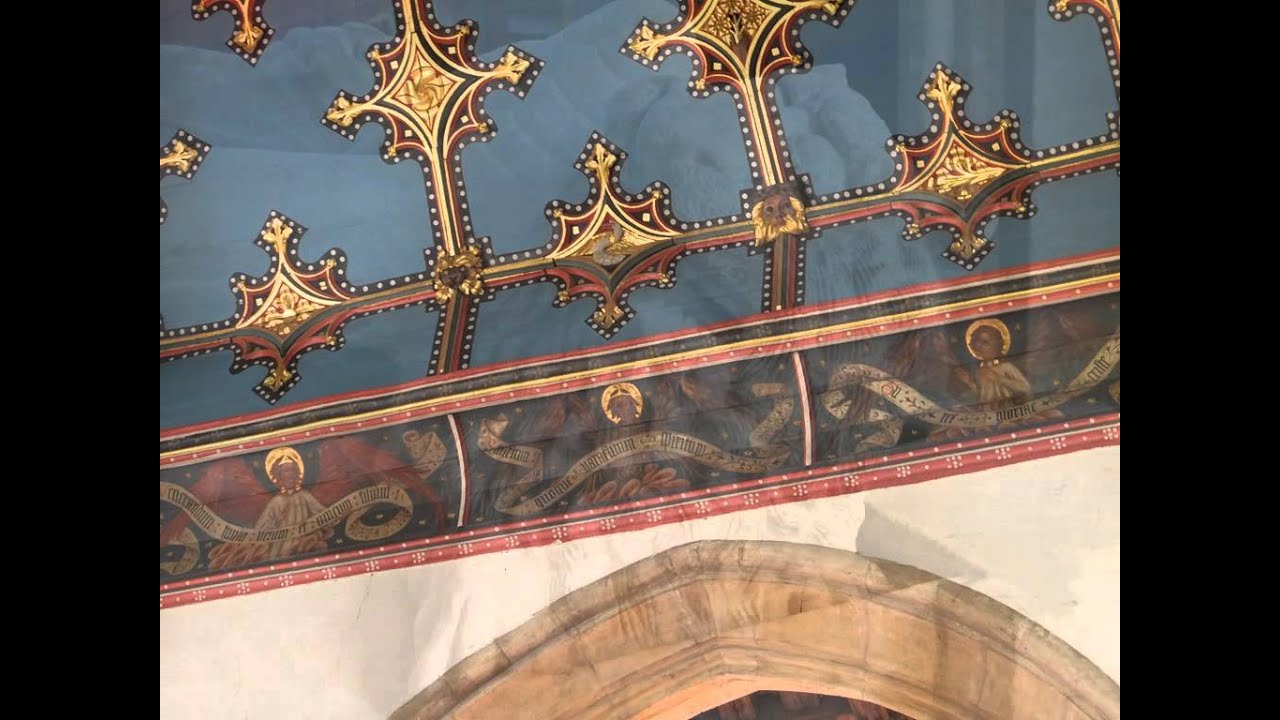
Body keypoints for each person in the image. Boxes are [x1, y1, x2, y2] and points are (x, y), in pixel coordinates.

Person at [206, 447, 331, 570]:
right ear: (278, 476)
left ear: (298, 473)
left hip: (305, 543)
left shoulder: (305, 496)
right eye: (286, 472)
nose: (290, 475)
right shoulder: (276, 502)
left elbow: (322, 514)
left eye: (293, 471)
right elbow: (262, 527)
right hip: (280, 546)